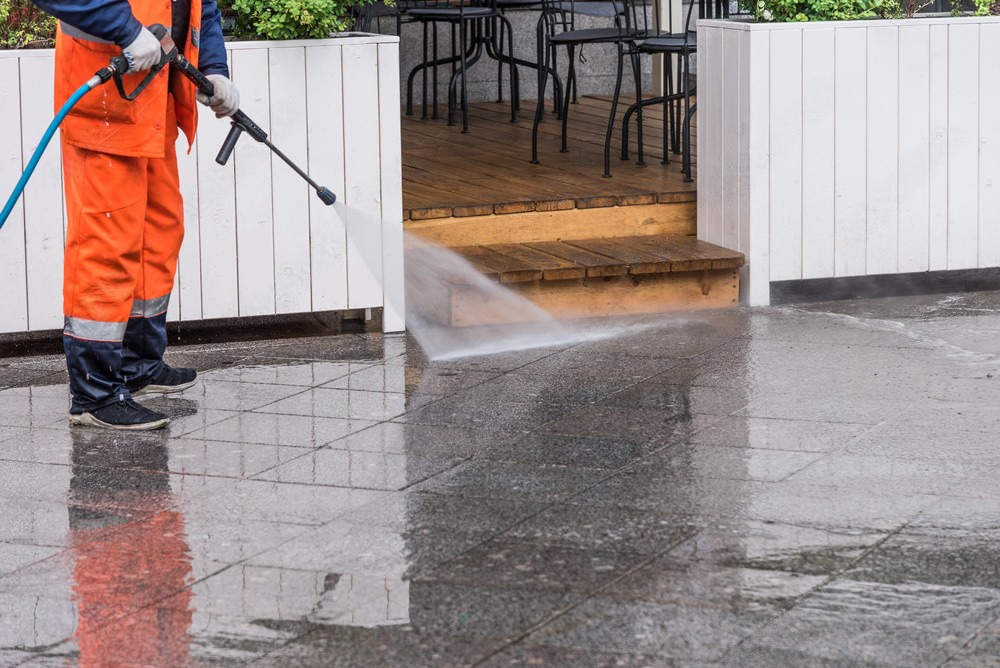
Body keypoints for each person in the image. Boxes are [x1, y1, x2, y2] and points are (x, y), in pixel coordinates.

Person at [30, 0, 240, 430]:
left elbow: (202, 6)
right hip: (106, 105)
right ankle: (96, 393)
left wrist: (215, 67)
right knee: (106, 245)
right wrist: (124, 29)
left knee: (159, 232)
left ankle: (137, 364)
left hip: (152, 101)